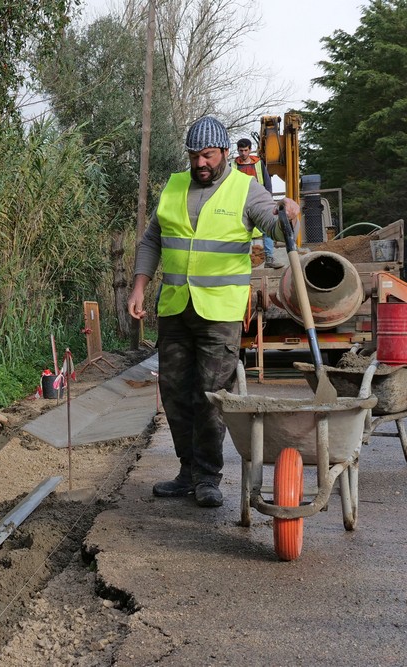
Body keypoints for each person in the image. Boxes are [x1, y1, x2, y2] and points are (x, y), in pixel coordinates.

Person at [128, 116, 299, 508]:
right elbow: (153, 238)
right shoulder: (174, 186)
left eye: (207, 155)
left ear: (224, 152)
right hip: (175, 307)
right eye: (194, 155)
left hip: (219, 313)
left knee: (211, 396)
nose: (200, 162)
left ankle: (208, 477)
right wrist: (139, 286)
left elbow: (273, 227)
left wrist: (288, 213)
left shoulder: (245, 188)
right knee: (174, 393)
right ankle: (187, 472)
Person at [235, 138, 282, 269]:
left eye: (245, 150)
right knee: (240, 232)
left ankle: (269, 258)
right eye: (241, 150)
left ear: (250, 150)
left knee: (267, 229)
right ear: (237, 150)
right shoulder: (232, 166)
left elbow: (267, 183)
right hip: (239, 204)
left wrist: (268, 199)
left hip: (257, 203)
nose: (243, 153)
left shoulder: (258, 164)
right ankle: (241, 261)